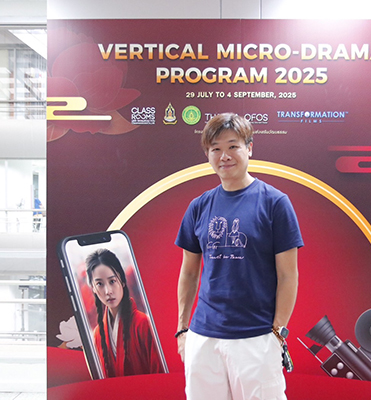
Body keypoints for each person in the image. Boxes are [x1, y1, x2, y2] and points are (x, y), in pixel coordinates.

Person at [175, 113, 303, 400]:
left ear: (249, 148)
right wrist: (183, 330)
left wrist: (277, 332)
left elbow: (288, 275)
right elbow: (189, 273)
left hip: (256, 336)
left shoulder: (275, 203)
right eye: (216, 149)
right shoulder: (199, 206)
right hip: (203, 337)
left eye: (233, 146)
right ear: (208, 155)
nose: (225, 156)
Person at [86, 248, 163, 378]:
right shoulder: (98, 334)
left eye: (112, 281)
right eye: (99, 284)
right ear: (93, 288)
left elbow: (159, 375)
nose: (108, 291)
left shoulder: (143, 323)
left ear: (122, 281)